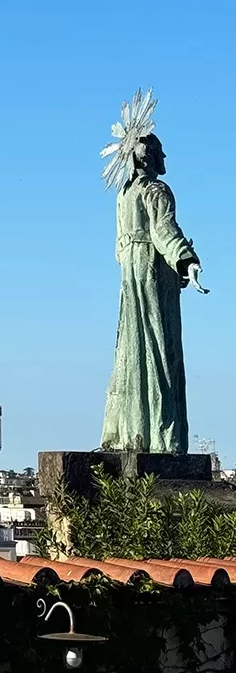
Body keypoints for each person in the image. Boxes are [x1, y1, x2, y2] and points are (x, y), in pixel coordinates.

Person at [99, 91, 208, 454]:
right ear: (151, 157)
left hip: (130, 272)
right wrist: (186, 260)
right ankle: (163, 437)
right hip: (151, 274)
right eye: (161, 152)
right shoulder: (157, 191)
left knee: (131, 348)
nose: (164, 159)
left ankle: (128, 431)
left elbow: (119, 246)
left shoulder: (124, 195)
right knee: (161, 350)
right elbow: (164, 231)